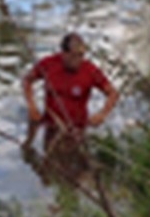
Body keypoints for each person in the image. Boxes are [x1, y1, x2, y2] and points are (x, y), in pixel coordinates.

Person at [21, 33, 119, 184]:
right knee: (48, 173)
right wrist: (32, 106)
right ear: (63, 53)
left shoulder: (90, 71)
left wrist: (102, 114)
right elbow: (27, 80)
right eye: (74, 56)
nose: (78, 61)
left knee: (75, 175)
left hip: (77, 130)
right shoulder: (48, 64)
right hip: (51, 128)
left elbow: (112, 93)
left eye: (81, 56)